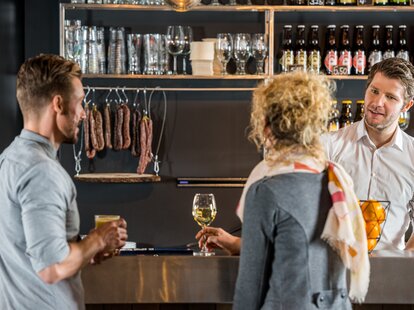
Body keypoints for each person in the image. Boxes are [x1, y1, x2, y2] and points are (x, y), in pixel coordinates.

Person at [196, 57, 414, 253]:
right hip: (331, 276)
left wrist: (408, 257)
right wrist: (237, 244)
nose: (377, 103)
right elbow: (294, 219)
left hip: (392, 278)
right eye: (374, 91)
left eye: (390, 97)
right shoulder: (327, 145)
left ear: (407, 105)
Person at [0, 54, 128, 310]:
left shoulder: (10, 158)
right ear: (58, 104)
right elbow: (51, 267)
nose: (83, 113)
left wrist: (86, 250)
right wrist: (98, 239)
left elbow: (31, 249)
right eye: (80, 102)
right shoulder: (42, 171)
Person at [231, 71, 368, 309]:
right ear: (317, 125)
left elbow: (250, 287)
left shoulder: (266, 191)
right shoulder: (337, 182)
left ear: (266, 126)